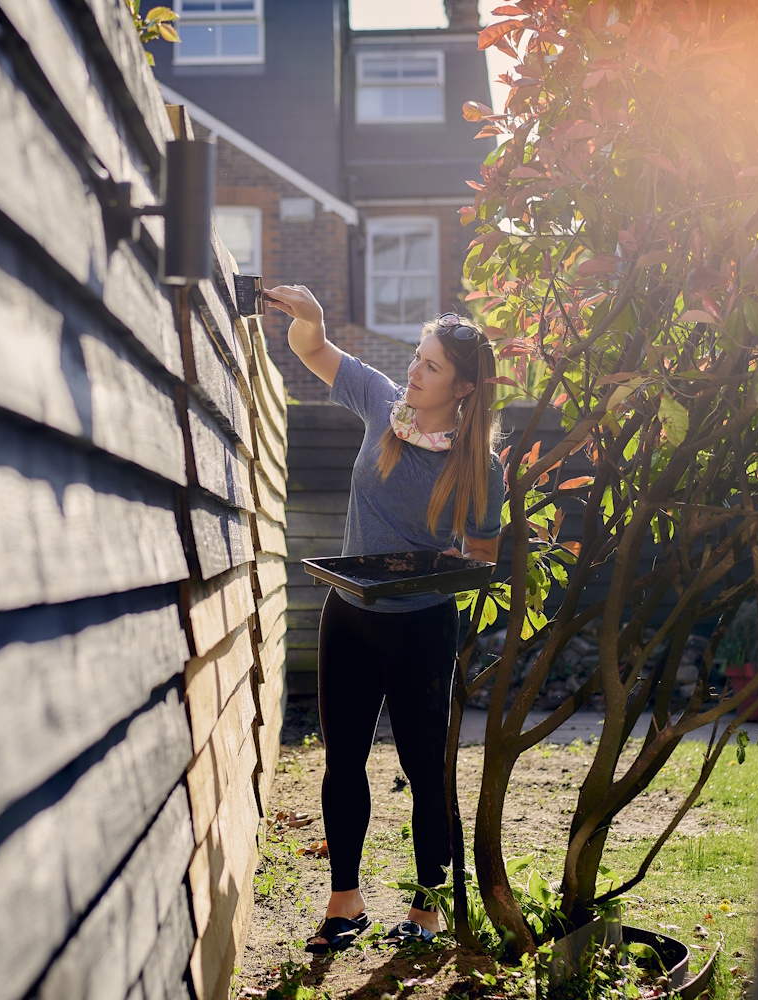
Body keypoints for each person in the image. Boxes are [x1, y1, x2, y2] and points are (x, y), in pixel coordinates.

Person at [263, 284, 505, 953]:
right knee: (343, 761)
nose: (413, 371)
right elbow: (314, 350)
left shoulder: (480, 463)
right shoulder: (379, 403)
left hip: (424, 626)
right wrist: (310, 318)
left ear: (461, 388)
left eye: (429, 366)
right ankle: (346, 899)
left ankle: (426, 910)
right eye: (416, 358)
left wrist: (454, 559)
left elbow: (484, 551)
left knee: (425, 770)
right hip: (350, 615)